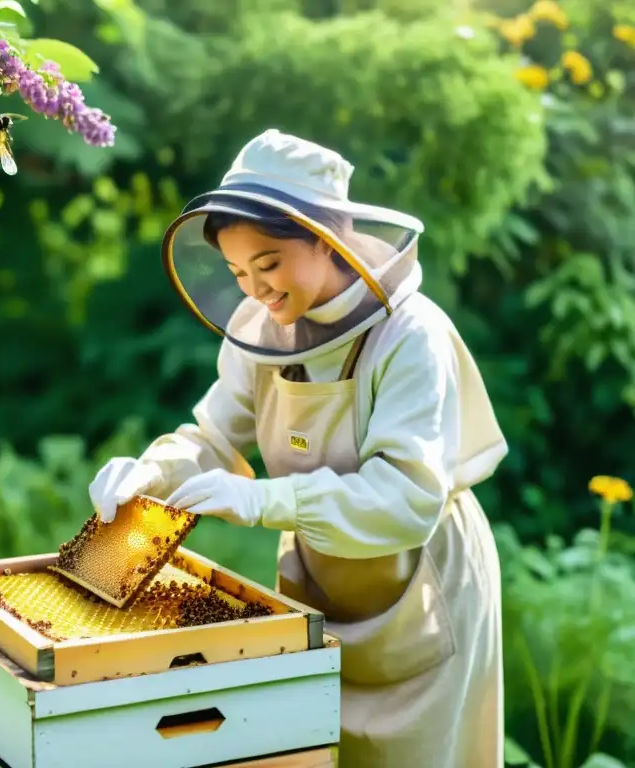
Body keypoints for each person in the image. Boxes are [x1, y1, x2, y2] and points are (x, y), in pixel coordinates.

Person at [88, 129, 507, 767]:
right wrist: (148, 473)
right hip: (323, 583)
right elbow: (211, 438)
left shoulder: (411, 335)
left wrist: (263, 499)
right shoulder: (260, 329)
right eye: (238, 273)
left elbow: (406, 497)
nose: (257, 289)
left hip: (424, 586)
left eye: (269, 264)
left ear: (325, 237)